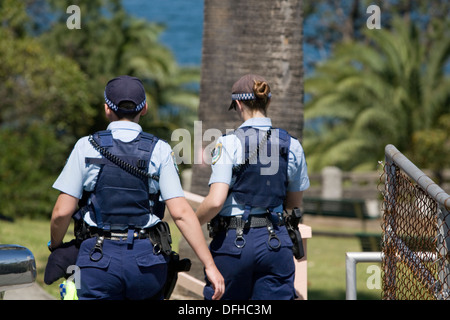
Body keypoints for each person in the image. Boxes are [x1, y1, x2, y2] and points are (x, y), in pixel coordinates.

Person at [50, 75, 224, 300]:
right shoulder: (160, 150)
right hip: (147, 261)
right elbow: (180, 213)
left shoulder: (86, 146)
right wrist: (209, 264)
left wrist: (57, 248)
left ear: (106, 109)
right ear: (145, 109)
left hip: (96, 259)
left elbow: (62, 212)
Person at [196, 74, 310, 300]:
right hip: (275, 243)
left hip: (233, 243)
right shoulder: (292, 144)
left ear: (238, 104)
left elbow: (216, 200)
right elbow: (294, 203)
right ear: (268, 102)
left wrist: (192, 220)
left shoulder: (228, 143)